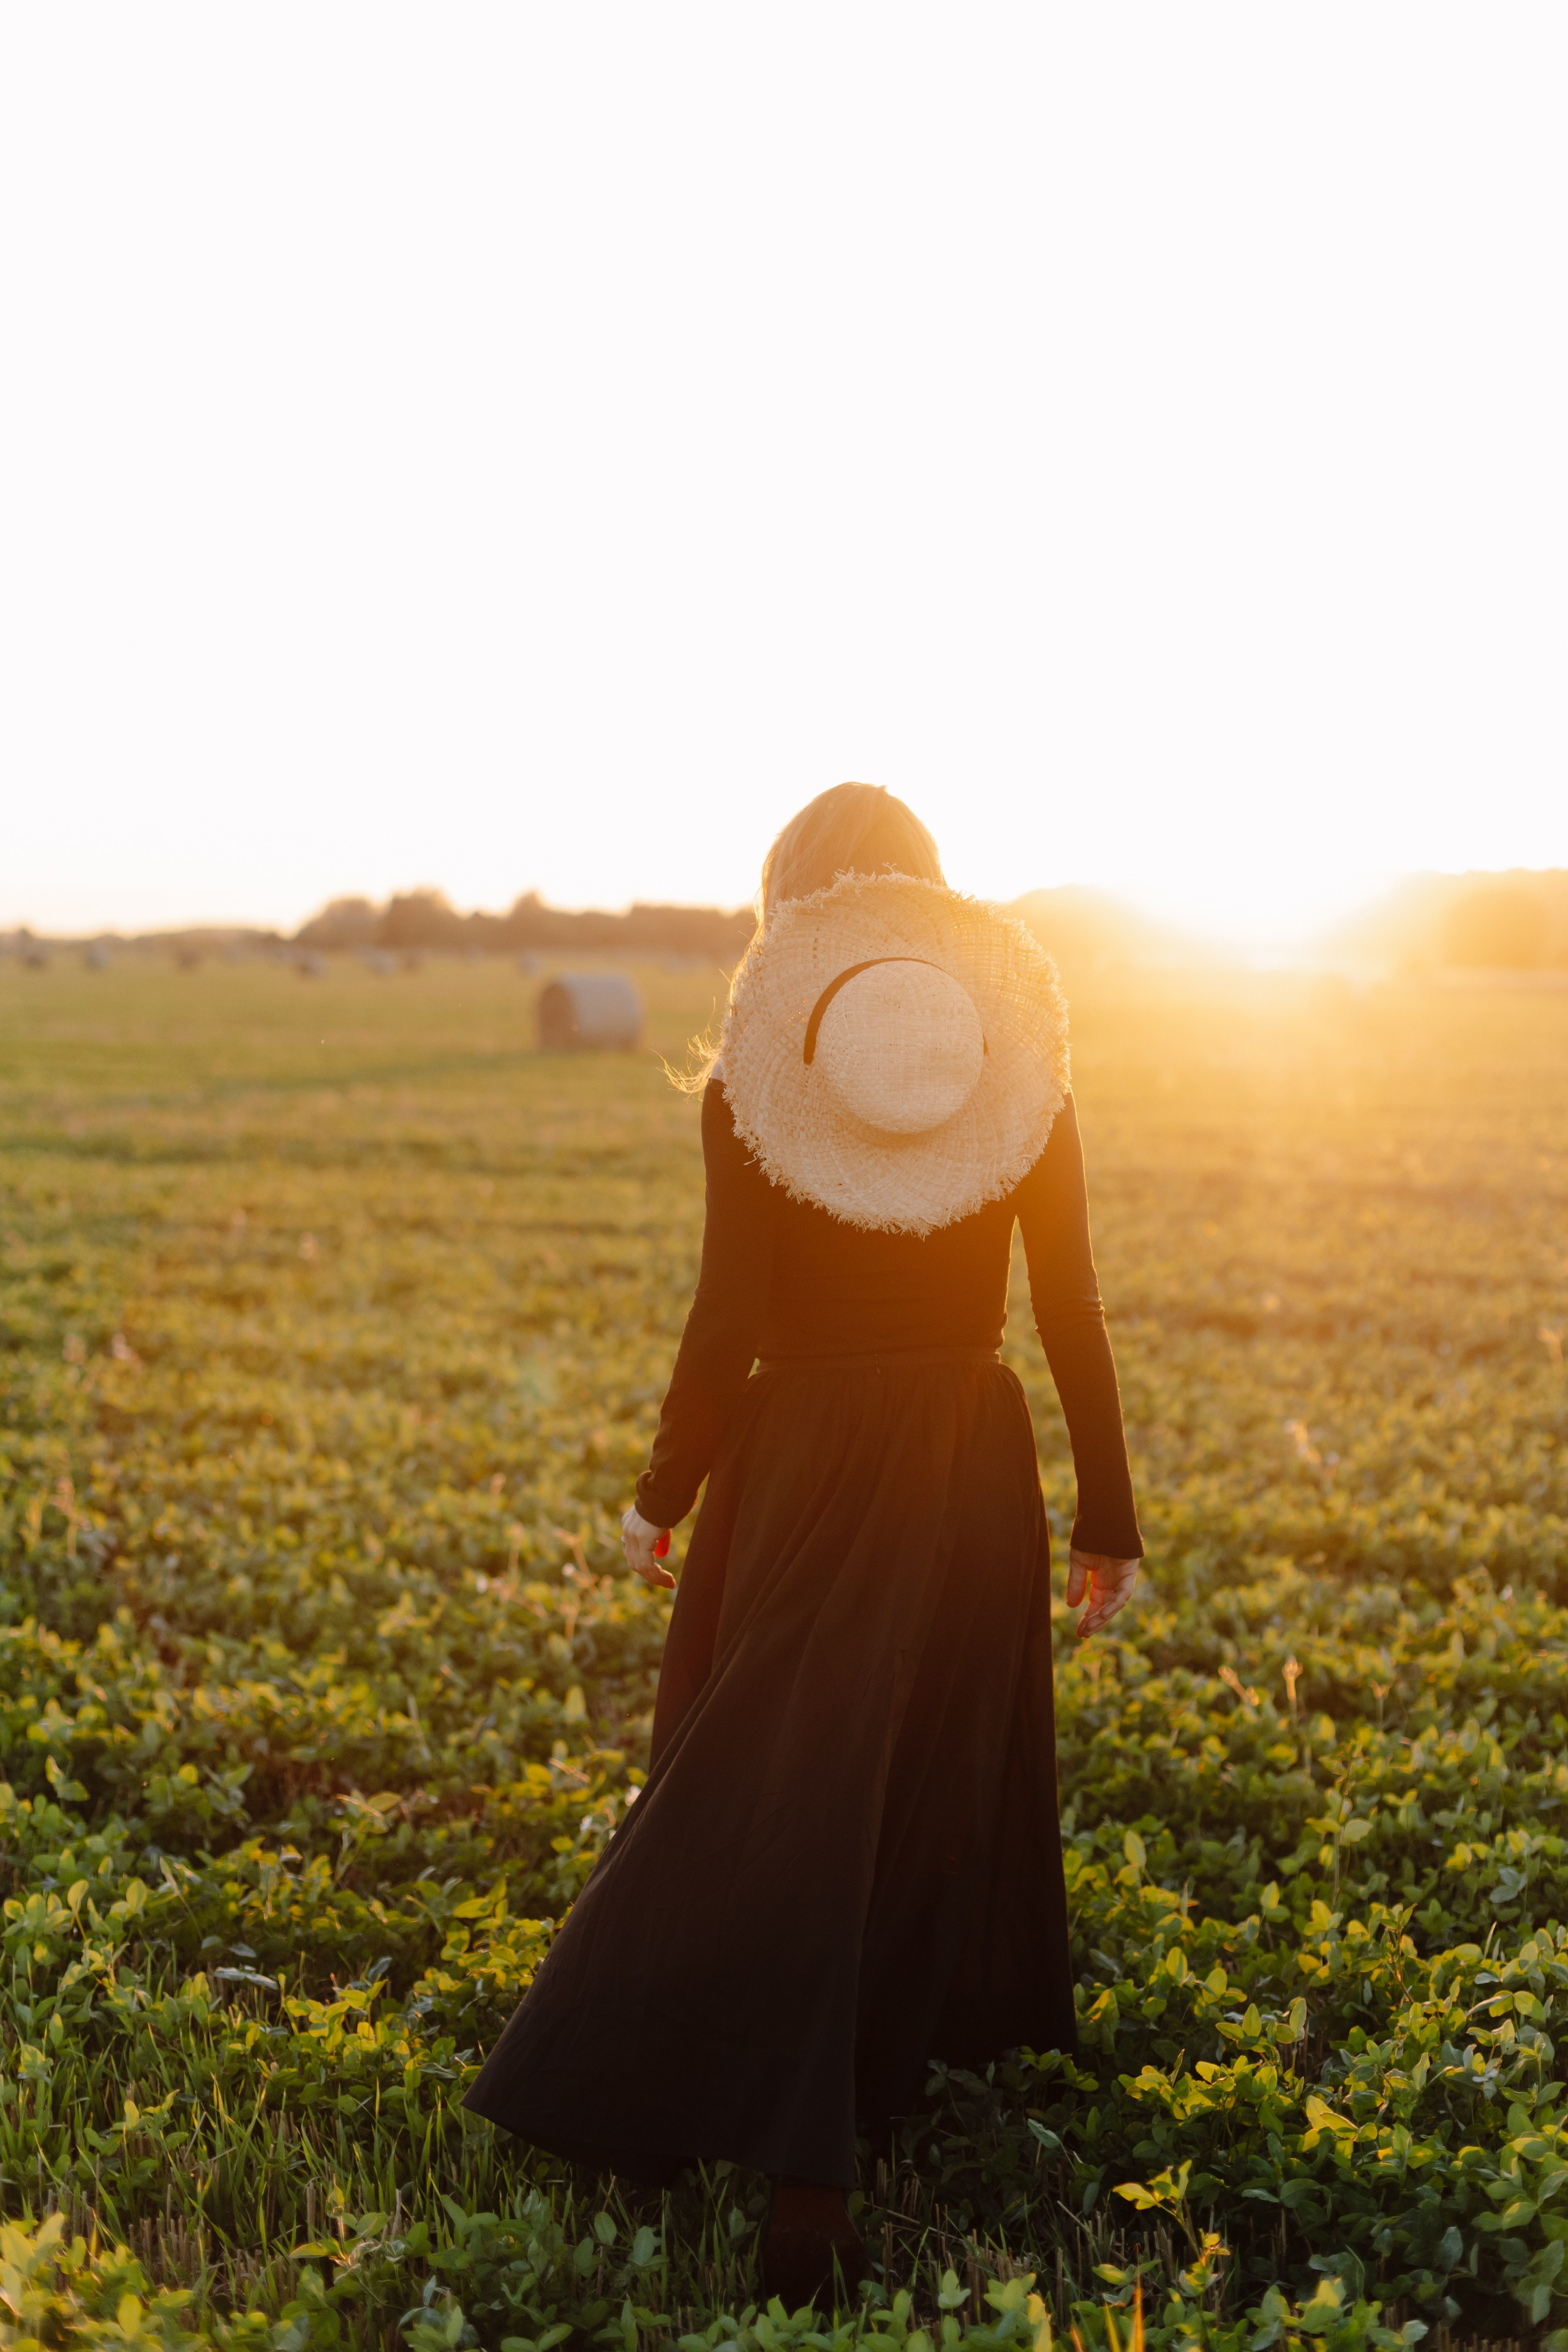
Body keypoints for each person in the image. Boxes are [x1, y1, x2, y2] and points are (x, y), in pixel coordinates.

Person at [464, 785, 1142, 2310]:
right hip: (968, 1463)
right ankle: (847, 2102)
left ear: (793, 909)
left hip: (804, 1458)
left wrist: (663, 1489)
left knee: (769, 1784)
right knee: (900, 1780)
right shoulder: (1019, 1086)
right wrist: (1108, 1517)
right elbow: (1071, 1314)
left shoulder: (751, 1096)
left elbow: (725, 1327)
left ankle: (776, 2160)